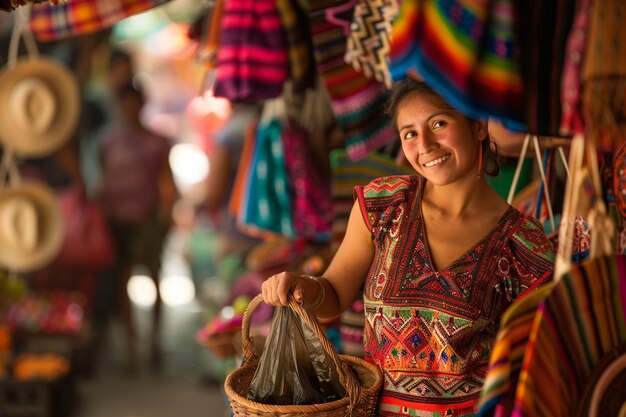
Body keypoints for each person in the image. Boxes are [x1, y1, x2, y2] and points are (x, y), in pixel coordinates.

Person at [261, 78, 556, 416]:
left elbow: (535, 369)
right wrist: (302, 288)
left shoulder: (524, 245)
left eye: (439, 124)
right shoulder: (382, 205)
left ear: (477, 125)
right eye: (410, 133)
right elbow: (333, 296)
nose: (425, 145)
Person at [97, 81, 177, 371]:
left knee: (154, 276)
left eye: (133, 103)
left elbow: (166, 180)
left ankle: (154, 342)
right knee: (123, 280)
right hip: (118, 220)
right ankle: (131, 348)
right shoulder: (108, 140)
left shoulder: (157, 142)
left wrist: (167, 211)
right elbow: (103, 177)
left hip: (149, 220)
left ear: (141, 105)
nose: (129, 109)